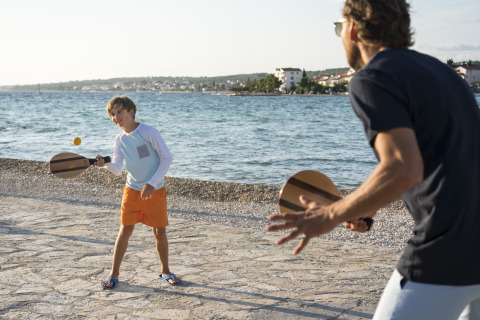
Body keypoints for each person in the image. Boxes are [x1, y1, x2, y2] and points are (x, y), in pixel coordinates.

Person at [266, 0, 480, 318]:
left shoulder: (373, 77)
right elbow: (435, 162)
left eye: (338, 28)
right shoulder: (444, 74)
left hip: (449, 250)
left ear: (352, 29)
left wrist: (332, 214)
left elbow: (402, 168)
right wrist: (362, 210)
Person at [95, 95, 182, 289]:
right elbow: (117, 170)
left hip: (155, 189)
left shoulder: (148, 132)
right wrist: (105, 163)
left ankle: (165, 271)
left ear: (131, 112)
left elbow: (166, 158)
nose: (116, 117)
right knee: (125, 230)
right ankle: (113, 274)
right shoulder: (119, 139)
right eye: (112, 114)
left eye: (120, 112)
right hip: (132, 189)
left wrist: (152, 183)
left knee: (159, 231)